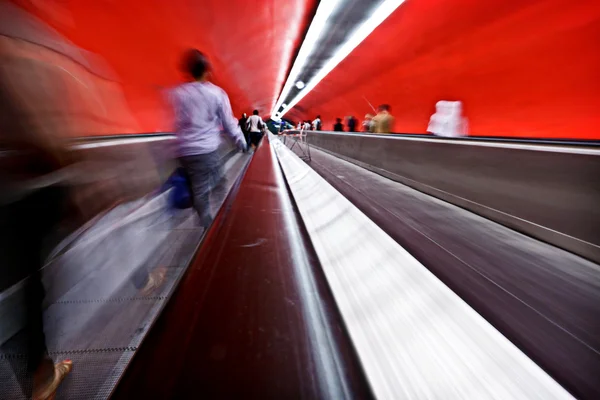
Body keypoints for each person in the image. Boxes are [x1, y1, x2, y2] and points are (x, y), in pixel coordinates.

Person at [171, 49, 246, 227]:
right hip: (206, 149)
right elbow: (228, 122)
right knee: (220, 183)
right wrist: (240, 140)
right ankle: (218, 226)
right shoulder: (216, 94)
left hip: (185, 151)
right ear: (207, 70)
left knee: (198, 188)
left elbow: (177, 122)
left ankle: (206, 221)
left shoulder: (179, 93)